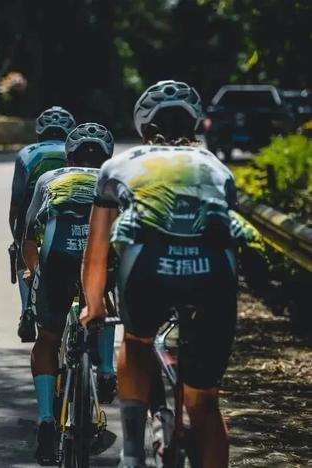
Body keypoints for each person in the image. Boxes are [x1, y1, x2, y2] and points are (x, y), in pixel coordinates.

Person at [81, 80, 259, 468]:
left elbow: (96, 253)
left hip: (147, 267)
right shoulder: (216, 166)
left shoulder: (117, 165)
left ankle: (131, 456)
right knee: (204, 399)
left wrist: (94, 305)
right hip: (213, 275)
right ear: (195, 126)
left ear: (144, 128)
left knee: (138, 341)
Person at [22, 123, 115, 465]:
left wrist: (35, 270)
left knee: (48, 337)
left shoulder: (50, 179)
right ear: (107, 156)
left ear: (68, 155)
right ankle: (106, 370)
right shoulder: (116, 176)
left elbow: (29, 234)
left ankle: (47, 418)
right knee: (103, 303)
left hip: (57, 258)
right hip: (101, 255)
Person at [8, 106, 76, 340]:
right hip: (70, 221)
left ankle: (27, 310)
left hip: (34, 220)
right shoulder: (73, 150)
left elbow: (17, 203)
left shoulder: (27, 153)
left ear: (40, 131)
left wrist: (18, 238)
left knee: (22, 255)